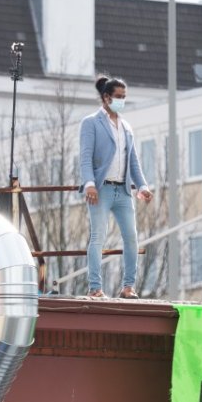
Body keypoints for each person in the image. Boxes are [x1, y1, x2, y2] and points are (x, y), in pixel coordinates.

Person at [79, 76, 153, 299]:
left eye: (124, 97)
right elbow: (85, 157)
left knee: (131, 237)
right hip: (101, 190)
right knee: (98, 237)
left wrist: (142, 185)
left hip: (122, 191)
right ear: (106, 97)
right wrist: (89, 184)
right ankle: (95, 287)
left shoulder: (126, 127)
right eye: (118, 97)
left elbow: (133, 161)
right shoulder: (91, 122)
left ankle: (128, 286)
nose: (121, 101)